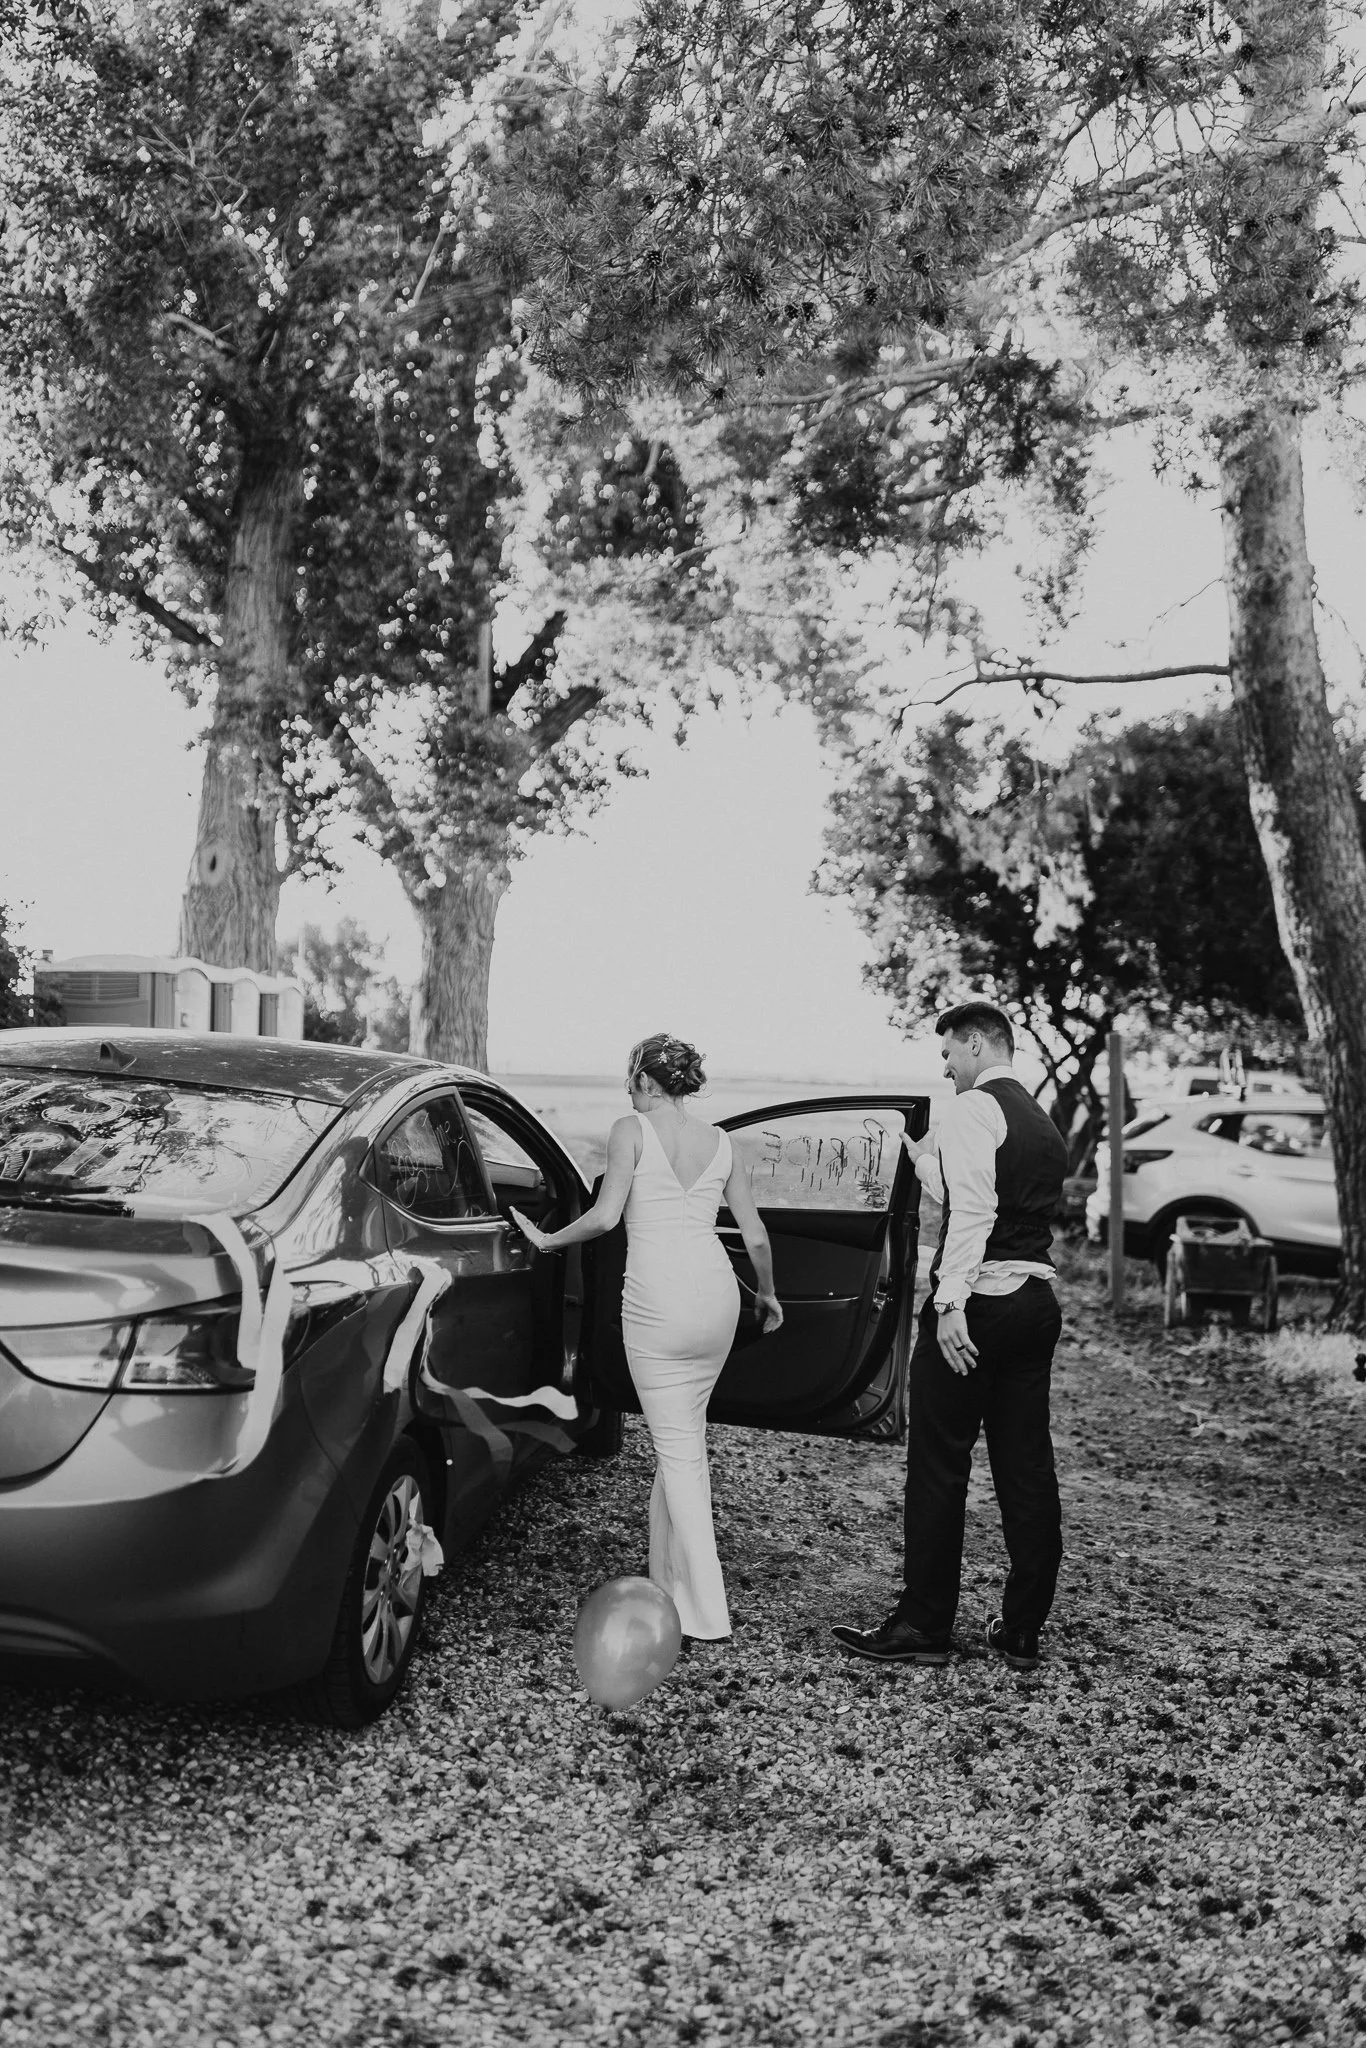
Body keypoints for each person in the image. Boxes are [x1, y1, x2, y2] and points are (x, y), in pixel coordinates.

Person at [511, 1034, 783, 1642]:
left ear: (647, 1081)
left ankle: (706, 1613)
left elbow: (607, 1216)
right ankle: (669, 1577)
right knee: (682, 1435)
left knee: (680, 1452)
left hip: (657, 1303)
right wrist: (766, 1294)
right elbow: (757, 1235)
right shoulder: (722, 1142)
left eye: (629, 1080)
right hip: (716, 1297)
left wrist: (549, 1240)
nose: (625, 1091)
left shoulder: (629, 1130)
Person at [833, 1001, 1070, 1671]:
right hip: (1033, 1304)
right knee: (1026, 1467)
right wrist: (920, 1158)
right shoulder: (1040, 1122)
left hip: (981, 1306)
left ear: (974, 1043)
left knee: (940, 1464)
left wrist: (949, 1304)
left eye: (948, 1053)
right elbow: (993, 1195)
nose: (945, 1066)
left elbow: (974, 1213)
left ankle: (923, 1624)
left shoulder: (972, 1110)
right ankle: (1022, 1628)